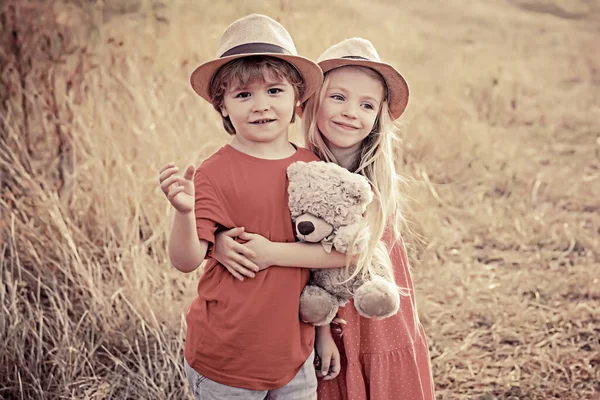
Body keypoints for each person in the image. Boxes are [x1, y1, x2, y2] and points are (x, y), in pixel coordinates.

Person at [213, 38, 435, 399]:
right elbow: (279, 244)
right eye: (338, 97)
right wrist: (220, 242)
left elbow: (354, 253)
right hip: (322, 315)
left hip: (378, 318)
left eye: (366, 104)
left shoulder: (376, 178)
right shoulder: (297, 167)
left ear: (378, 116)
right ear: (310, 103)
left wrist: (268, 253)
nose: (351, 112)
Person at [158, 14, 348, 400]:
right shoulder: (213, 173)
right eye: (243, 95)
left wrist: (323, 334)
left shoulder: (312, 169)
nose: (260, 105)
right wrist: (183, 212)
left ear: (298, 98)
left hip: (293, 358)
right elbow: (186, 260)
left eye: (274, 91)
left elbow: (325, 263)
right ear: (223, 107)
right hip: (225, 360)